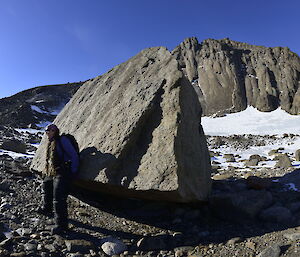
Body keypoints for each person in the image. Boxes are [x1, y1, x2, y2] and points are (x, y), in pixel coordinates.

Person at [38, 124, 79, 235]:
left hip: (63, 172)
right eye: (46, 131)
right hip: (53, 171)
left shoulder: (62, 140)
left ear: (55, 131)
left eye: (50, 130)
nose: (48, 132)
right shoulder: (51, 142)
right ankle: (47, 208)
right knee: (46, 185)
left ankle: (61, 225)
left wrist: (73, 172)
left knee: (59, 198)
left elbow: (74, 156)